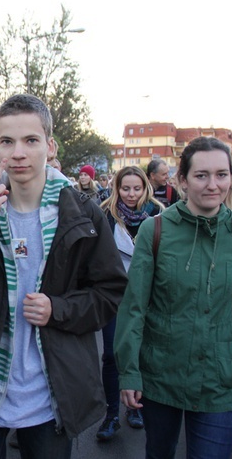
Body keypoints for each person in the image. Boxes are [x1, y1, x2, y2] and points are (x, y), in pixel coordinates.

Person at [0, 94, 127, 459]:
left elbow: (110, 292)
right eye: (8, 141)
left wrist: (59, 309)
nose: (18, 153)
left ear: (50, 146)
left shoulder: (82, 214)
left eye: (31, 140)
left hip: (52, 393)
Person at [115, 136, 232, 459]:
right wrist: (129, 371)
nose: (212, 185)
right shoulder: (155, 230)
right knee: (159, 452)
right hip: (160, 376)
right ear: (183, 180)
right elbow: (134, 307)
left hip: (219, 379)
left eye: (221, 174)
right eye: (201, 175)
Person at [95, 166, 163, 442]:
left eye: (137, 188)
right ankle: (111, 414)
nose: (131, 194)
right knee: (112, 354)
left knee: (141, 353)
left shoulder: (160, 214)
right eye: (126, 188)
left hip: (149, 296)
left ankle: (135, 408)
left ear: (145, 187)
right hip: (115, 296)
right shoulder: (105, 214)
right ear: (117, 189)